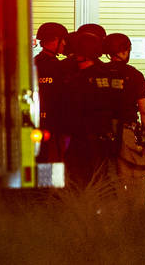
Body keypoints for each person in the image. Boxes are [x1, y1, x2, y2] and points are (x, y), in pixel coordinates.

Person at [59, 31, 115, 191]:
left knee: (77, 184)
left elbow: (71, 111)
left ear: (82, 54)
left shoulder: (77, 80)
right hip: (104, 141)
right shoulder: (107, 74)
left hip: (81, 141)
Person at [102, 32, 145, 204]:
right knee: (136, 184)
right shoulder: (134, 75)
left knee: (109, 182)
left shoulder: (98, 72)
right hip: (127, 134)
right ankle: (136, 223)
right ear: (124, 51)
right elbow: (144, 110)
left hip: (102, 134)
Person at [34, 22, 70, 168]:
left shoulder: (34, 64)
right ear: (55, 40)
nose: (65, 43)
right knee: (53, 164)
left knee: (41, 162)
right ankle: (50, 190)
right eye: (63, 40)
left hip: (37, 124)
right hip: (55, 128)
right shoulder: (59, 67)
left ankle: (41, 190)